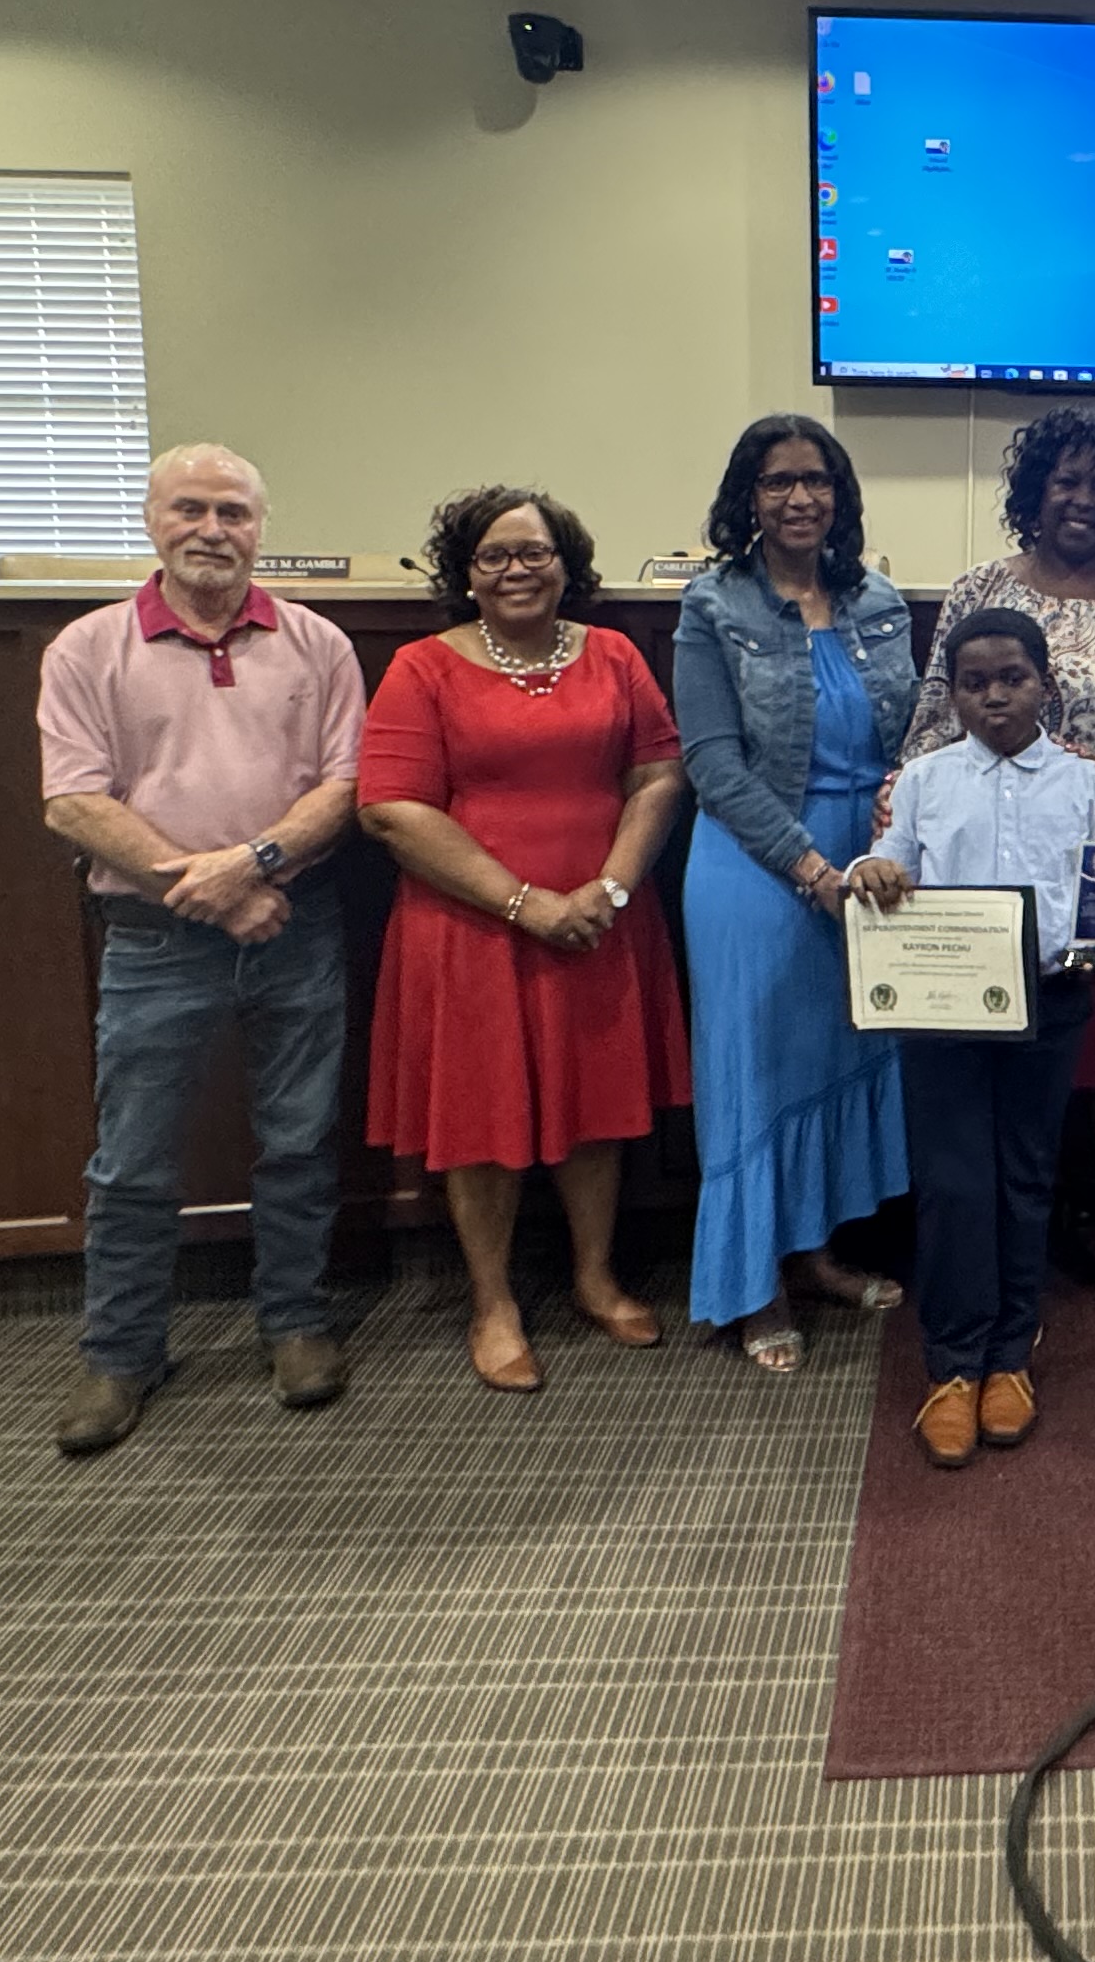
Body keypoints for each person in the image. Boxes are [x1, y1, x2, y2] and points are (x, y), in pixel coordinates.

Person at [33, 443, 366, 1457]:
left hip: (299, 928)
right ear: (151, 519)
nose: (212, 529)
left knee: (302, 1143)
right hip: (152, 940)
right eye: (190, 509)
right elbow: (73, 803)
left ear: (261, 528)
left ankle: (295, 1324)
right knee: (133, 1162)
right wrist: (216, 896)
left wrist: (256, 865)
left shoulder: (318, 643)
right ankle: (122, 1352)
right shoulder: (87, 649)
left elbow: (347, 788)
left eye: (233, 512)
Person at [358, 485, 690, 1394]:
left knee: (597, 1104)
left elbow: (659, 775)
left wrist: (609, 888)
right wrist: (523, 904)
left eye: (534, 553)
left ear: (566, 563)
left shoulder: (616, 654)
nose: (516, 570)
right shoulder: (423, 667)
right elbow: (391, 809)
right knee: (479, 1121)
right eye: (494, 555)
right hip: (470, 928)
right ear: (465, 572)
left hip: (601, 919)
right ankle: (494, 1302)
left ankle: (594, 1276)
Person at [901, 406, 1095, 1346]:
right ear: (1032, 492)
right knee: (996, 1081)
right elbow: (927, 730)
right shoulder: (976, 591)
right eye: (1065, 481)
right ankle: (1010, 1268)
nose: (1084, 500)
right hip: (979, 893)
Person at [670, 414, 918, 1370]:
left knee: (833, 1060)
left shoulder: (879, 599)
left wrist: (895, 832)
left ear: (841, 494)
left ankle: (815, 1253)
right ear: (749, 497)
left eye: (816, 479)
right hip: (758, 861)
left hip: (871, 862)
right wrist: (811, 869)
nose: (800, 497)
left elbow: (913, 734)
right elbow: (712, 763)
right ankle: (752, 1286)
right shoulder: (714, 605)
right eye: (777, 482)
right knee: (757, 1074)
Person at [855, 608, 1095, 1467]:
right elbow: (890, 865)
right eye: (974, 683)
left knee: (1024, 1176)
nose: (994, 696)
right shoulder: (926, 780)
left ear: (1046, 683)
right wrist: (876, 874)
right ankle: (953, 1364)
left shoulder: (1085, 783)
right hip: (945, 1014)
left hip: (1050, 1002)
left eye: (1012, 678)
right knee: (952, 1183)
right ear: (954, 693)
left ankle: (1011, 1354)